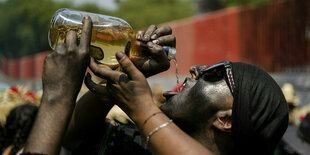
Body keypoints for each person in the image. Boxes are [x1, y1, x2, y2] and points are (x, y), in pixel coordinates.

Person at [24, 16, 288, 155]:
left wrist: (57, 97)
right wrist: (130, 68)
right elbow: (71, 138)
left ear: (226, 120)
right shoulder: (137, 145)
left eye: (215, 73)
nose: (197, 68)